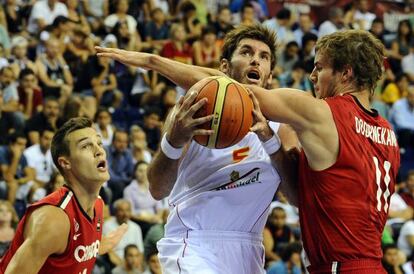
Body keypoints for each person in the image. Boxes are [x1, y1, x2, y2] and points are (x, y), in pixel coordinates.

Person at [96, 24, 295, 274]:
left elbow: (296, 197)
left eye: (263, 57)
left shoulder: (281, 128)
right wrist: (175, 139)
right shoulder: (193, 109)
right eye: (246, 52)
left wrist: (268, 139)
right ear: (224, 67)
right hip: (192, 241)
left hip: (248, 250)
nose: (255, 59)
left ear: (270, 76)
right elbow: (157, 189)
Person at [244, 30, 400, 273]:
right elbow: (308, 196)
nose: (313, 75)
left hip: (339, 267)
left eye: (319, 67)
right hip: (371, 265)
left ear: (346, 73)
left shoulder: (326, 113)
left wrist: (160, 62)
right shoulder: (388, 133)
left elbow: (238, 92)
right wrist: (270, 141)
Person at [0, 117, 128, 274]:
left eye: (99, 143)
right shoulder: (53, 219)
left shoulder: (98, 204)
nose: (99, 150)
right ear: (65, 163)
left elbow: (69, 253)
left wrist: (97, 247)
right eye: (86, 146)